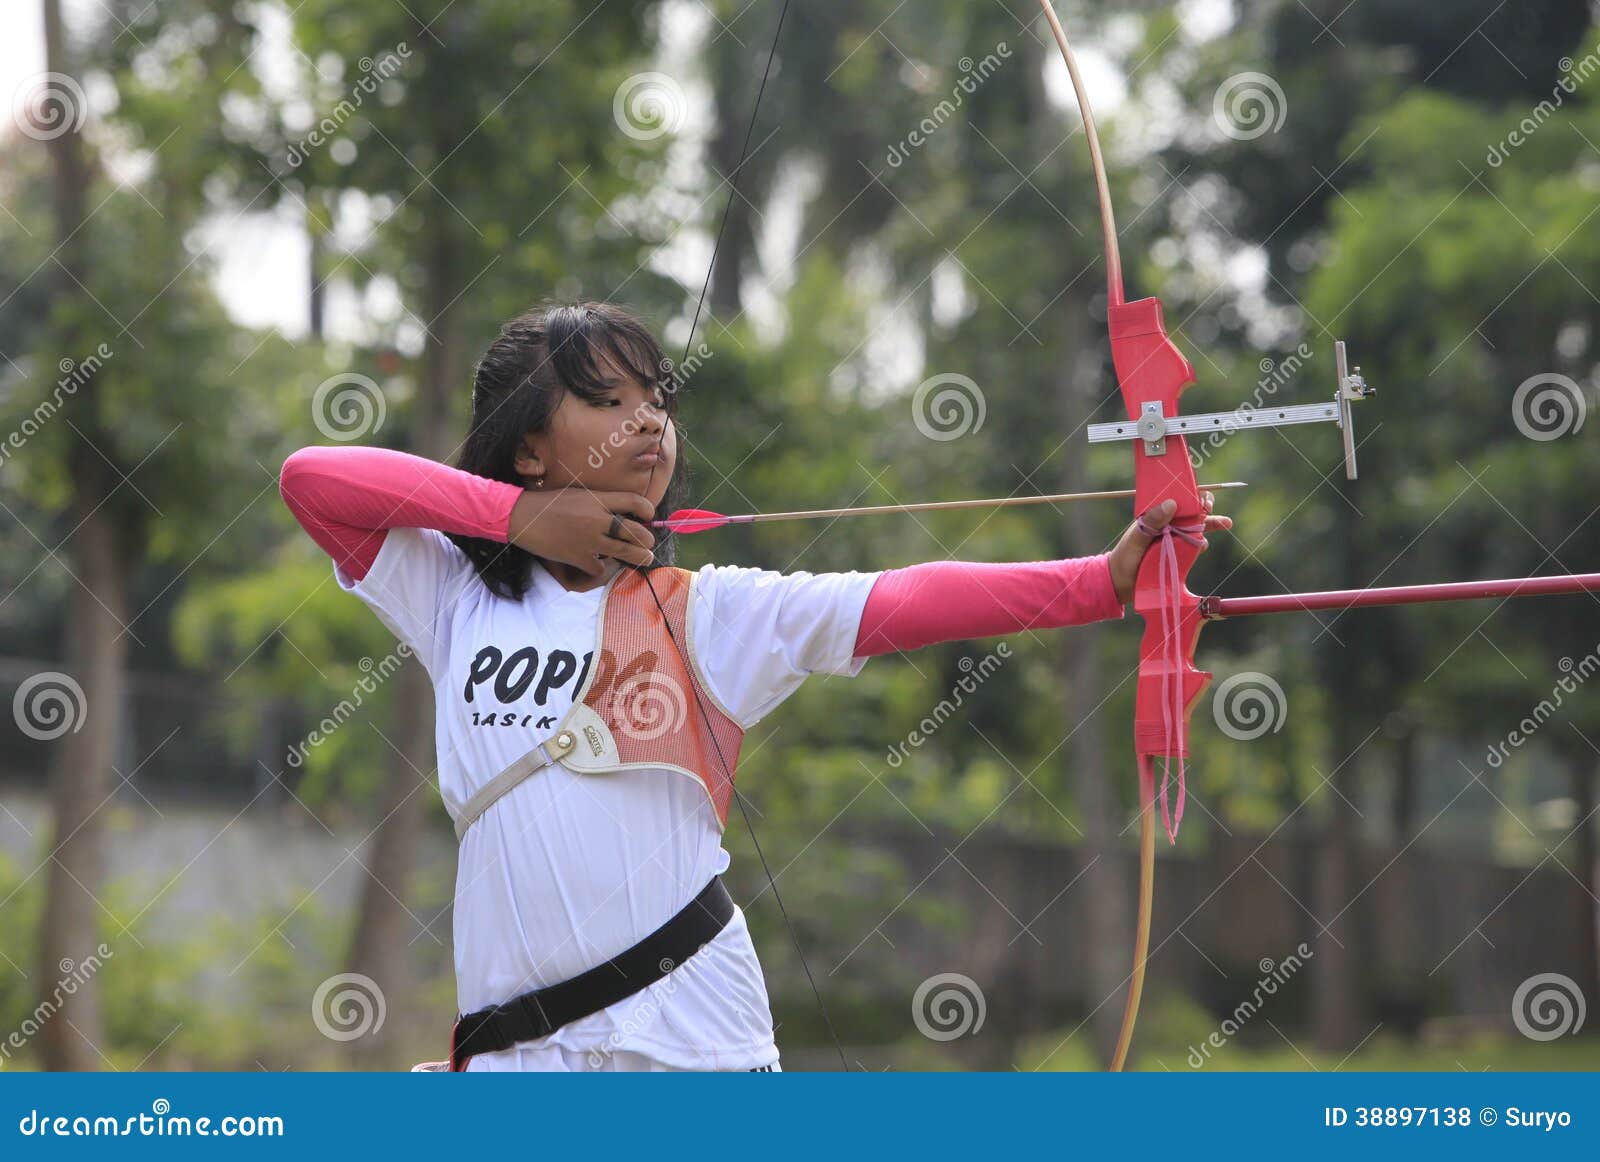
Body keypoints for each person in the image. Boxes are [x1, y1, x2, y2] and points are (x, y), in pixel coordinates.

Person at [278, 301, 1230, 1072]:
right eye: (606, 402)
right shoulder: (456, 597)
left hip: (693, 1043)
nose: (649, 419)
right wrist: (520, 518)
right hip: (518, 1058)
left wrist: (1102, 584)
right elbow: (313, 478)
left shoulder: (713, 611)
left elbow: (906, 599)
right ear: (528, 445)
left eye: (655, 399)